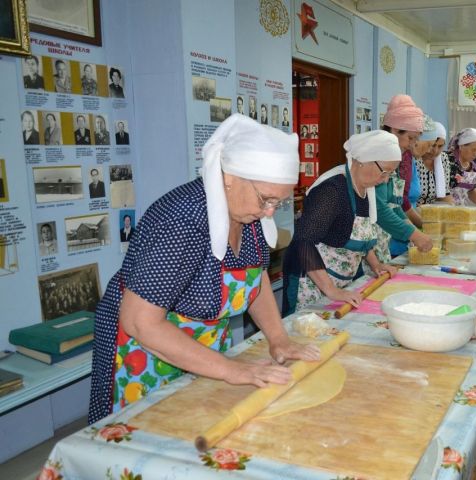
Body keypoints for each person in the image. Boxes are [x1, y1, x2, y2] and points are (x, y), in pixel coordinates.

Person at [88, 114, 320, 423]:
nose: (269, 212)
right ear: (229, 176)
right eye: (266, 199)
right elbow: (140, 323)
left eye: (278, 203)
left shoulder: (248, 217)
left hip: (204, 351)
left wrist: (279, 339)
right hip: (141, 354)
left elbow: (255, 279)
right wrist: (231, 369)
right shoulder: (181, 221)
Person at [282, 130, 400, 315]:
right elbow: (303, 241)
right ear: (363, 161)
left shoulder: (365, 188)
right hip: (310, 282)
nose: (385, 179)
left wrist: (376, 265)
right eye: (384, 172)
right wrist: (331, 290)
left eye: (390, 174)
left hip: (339, 281)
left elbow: (362, 237)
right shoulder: (332, 191)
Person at [374, 94, 433, 261]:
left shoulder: (397, 161)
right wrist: (413, 234)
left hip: (382, 242)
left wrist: (411, 229)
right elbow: (379, 209)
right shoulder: (376, 159)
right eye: (410, 138)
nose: (412, 144)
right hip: (366, 243)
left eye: (416, 139)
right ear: (393, 131)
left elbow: (395, 204)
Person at [446, 128, 476, 209]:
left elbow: (471, 188)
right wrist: (453, 209)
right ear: (461, 146)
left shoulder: (475, 162)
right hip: (445, 207)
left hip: (461, 209)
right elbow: (441, 190)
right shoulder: (447, 159)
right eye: (473, 150)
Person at [415, 121, 452, 206]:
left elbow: (445, 193)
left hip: (433, 212)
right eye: (432, 145)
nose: (435, 151)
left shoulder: (443, 159)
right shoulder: (414, 159)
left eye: (440, 146)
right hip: (413, 211)